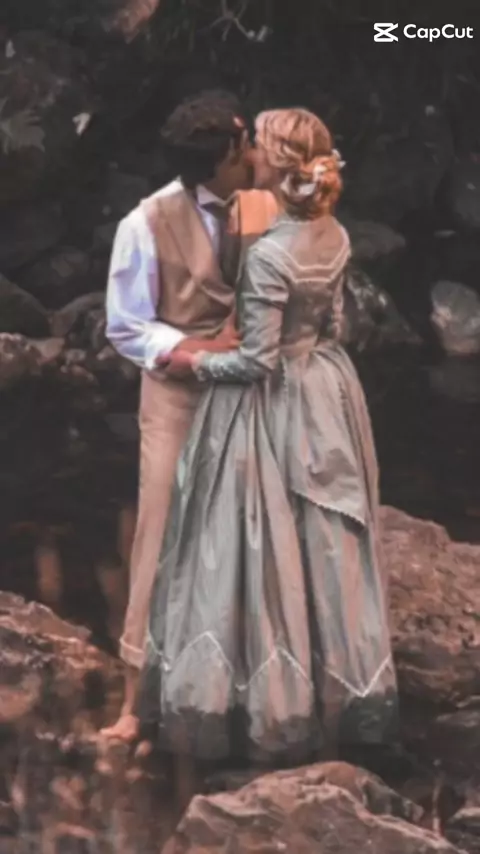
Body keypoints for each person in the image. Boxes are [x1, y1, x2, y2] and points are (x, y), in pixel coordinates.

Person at [138, 108, 398, 765]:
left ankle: (264, 706)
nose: (245, 149)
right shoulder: (333, 233)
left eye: (254, 141)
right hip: (326, 390)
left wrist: (193, 362)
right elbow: (333, 325)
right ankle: (342, 696)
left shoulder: (271, 255)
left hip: (269, 403)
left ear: (274, 163)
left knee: (250, 543)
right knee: (322, 544)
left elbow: (257, 362)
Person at [102, 90, 278, 742]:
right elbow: (126, 326)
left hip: (253, 396)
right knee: (161, 536)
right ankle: (136, 699)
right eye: (245, 144)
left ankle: (242, 696)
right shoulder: (144, 223)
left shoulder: (268, 206)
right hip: (178, 396)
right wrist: (198, 349)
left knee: (253, 538)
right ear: (221, 160)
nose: (255, 151)